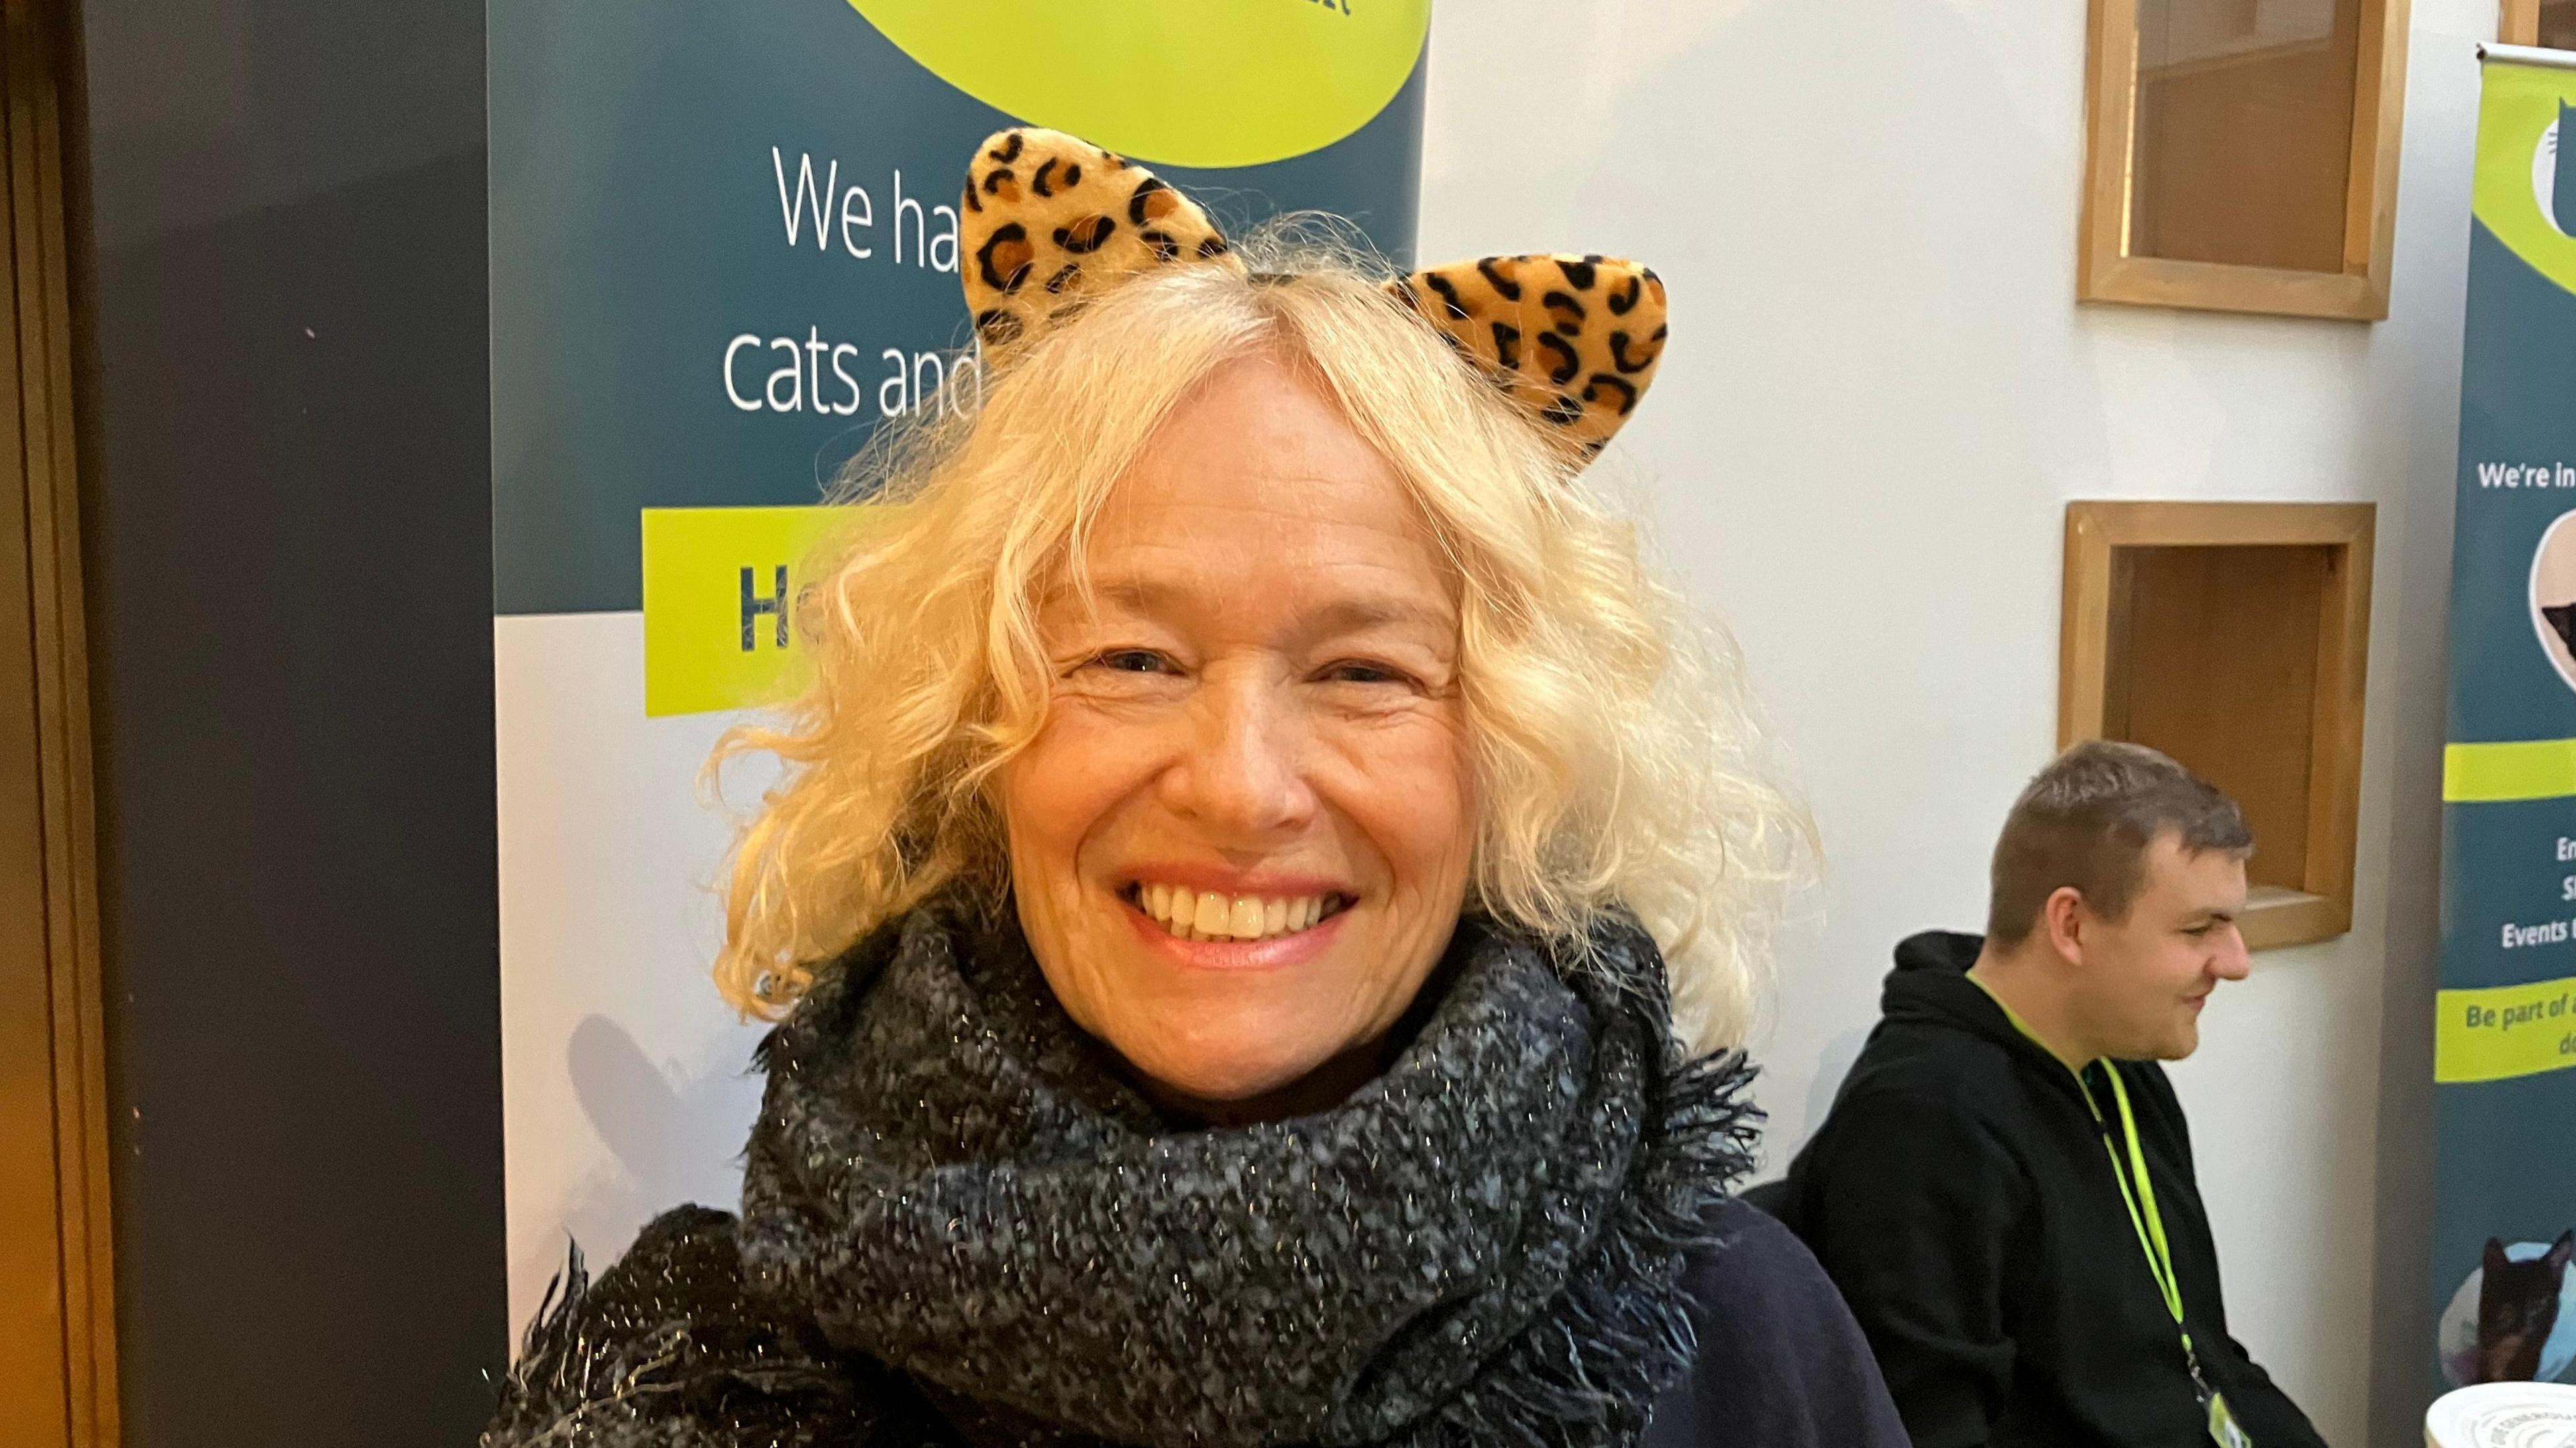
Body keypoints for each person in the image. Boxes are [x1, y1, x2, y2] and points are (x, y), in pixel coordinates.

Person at [480, 127, 1907, 1448]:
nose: (1238, 787)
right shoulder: (701, 1372)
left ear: (1517, 755)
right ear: (976, 735)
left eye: (1364, 672)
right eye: (1133, 657)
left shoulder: (1739, 1343)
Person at [1776, 740, 2324, 1448]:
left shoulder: (2120, 1066)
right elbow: (1927, 1431)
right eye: (2199, 928)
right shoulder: (1920, 1126)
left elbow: (2202, 1356)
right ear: (2070, 924)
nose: (2237, 961)